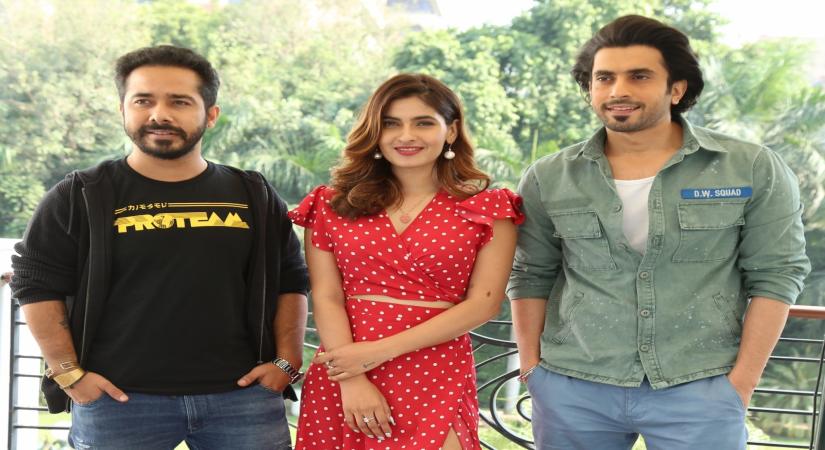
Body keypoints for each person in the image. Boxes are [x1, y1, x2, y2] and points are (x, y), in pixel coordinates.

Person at [507, 15, 811, 450]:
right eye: (604, 78)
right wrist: (534, 371)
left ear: (677, 88)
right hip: (573, 388)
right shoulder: (549, 177)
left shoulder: (750, 166)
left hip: (701, 386)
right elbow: (530, 275)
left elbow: (777, 274)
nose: (618, 91)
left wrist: (740, 384)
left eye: (639, 76)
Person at [10, 45, 308, 449]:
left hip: (243, 399)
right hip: (119, 402)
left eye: (180, 101)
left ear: (211, 115)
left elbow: (290, 278)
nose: (159, 115)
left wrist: (287, 361)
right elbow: (34, 282)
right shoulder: (80, 194)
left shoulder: (251, 193)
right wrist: (69, 374)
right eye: (143, 101)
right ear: (123, 110)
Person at [289, 73, 523, 450]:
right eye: (391, 123)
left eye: (424, 123)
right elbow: (327, 295)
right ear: (375, 133)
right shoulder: (331, 205)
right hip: (344, 369)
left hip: (435, 369)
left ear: (451, 131)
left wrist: (377, 352)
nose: (406, 136)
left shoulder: (488, 208)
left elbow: (485, 303)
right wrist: (352, 378)